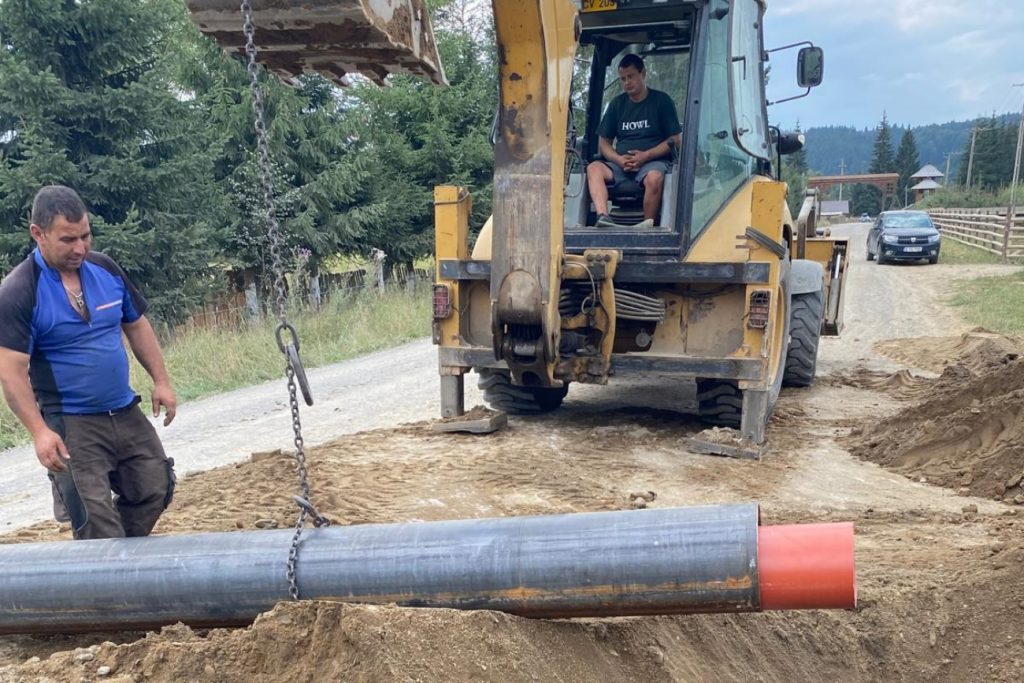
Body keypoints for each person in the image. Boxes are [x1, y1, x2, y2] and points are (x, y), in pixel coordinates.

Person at [0, 185, 178, 540]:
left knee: (155, 487)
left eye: (85, 236)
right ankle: (109, 581)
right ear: (38, 234)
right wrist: (39, 432)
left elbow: (137, 324)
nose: (80, 248)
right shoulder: (19, 291)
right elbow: (11, 372)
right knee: (94, 519)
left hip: (123, 410)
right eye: (67, 240)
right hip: (71, 422)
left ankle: (114, 570)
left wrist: (161, 380)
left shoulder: (105, 269)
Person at [586, 53, 682, 228]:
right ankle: (603, 217)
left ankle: (647, 225)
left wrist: (645, 156)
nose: (626, 82)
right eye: (622, 79)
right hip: (621, 166)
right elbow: (604, 143)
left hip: (652, 163)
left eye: (630, 76)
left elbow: (675, 139)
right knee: (593, 169)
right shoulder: (616, 105)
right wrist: (619, 160)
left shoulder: (661, 101)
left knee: (654, 178)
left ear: (643, 74)